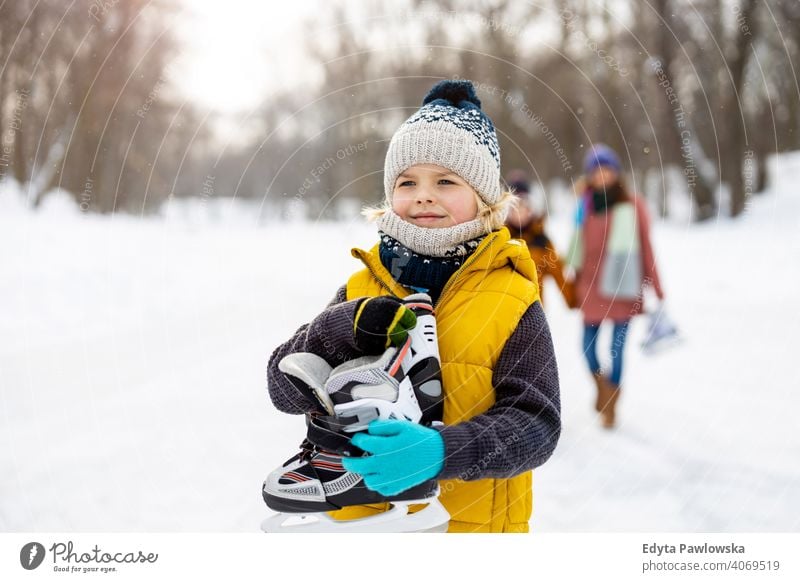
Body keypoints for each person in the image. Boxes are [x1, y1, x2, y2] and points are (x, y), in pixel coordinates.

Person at [266, 79, 561, 533]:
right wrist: (338, 330)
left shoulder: (513, 299)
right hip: (366, 530)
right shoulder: (361, 287)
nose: (424, 194)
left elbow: (536, 426)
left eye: (446, 180)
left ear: (484, 197)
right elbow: (282, 387)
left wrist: (444, 452)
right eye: (407, 181)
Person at [567, 144, 665, 429]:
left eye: (606, 168)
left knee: (617, 349)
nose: (601, 175)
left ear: (615, 171)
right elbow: (575, 246)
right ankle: (603, 388)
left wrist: (657, 287)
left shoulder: (632, 205)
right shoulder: (583, 205)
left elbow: (646, 247)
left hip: (624, 285)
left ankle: (611, 404)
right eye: (595, 170)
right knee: (587, 347)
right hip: (590, 285)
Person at [505, 172, 575, 308]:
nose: (518, 213)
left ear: (530, 209)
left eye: (522, 207)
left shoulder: (541, 240)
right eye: (514, 208)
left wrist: (573, 299)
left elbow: (558, 272)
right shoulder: (502, 238)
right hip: (506, 309)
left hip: (534, 309)